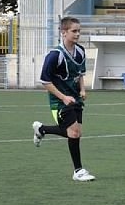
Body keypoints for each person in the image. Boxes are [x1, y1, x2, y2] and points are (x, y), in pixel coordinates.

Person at [32, 16, 96, 182]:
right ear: (63, 32)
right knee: (74, 132)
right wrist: (63, 97)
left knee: (75, 132)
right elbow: (45, 81)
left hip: (75, 99)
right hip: (59, 101)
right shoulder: (55, 55)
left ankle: (42, 129)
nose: (77, 34)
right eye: (74, 31)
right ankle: (78, 171)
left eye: (79, 31)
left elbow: (80, 74)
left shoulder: (80, 51)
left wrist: (82, 89)